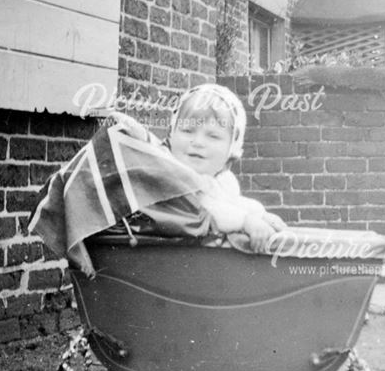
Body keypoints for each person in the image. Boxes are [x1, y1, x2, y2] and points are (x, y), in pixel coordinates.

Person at [111, 83, 286, 251]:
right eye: (187, 131)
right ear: (171, 134)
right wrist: (246, 221)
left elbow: (228, 201)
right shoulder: (169, 174)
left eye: (213, 136)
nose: (198, 142)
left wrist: (259, 214)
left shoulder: (222, 180)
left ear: (231, 148)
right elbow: (205, 209)